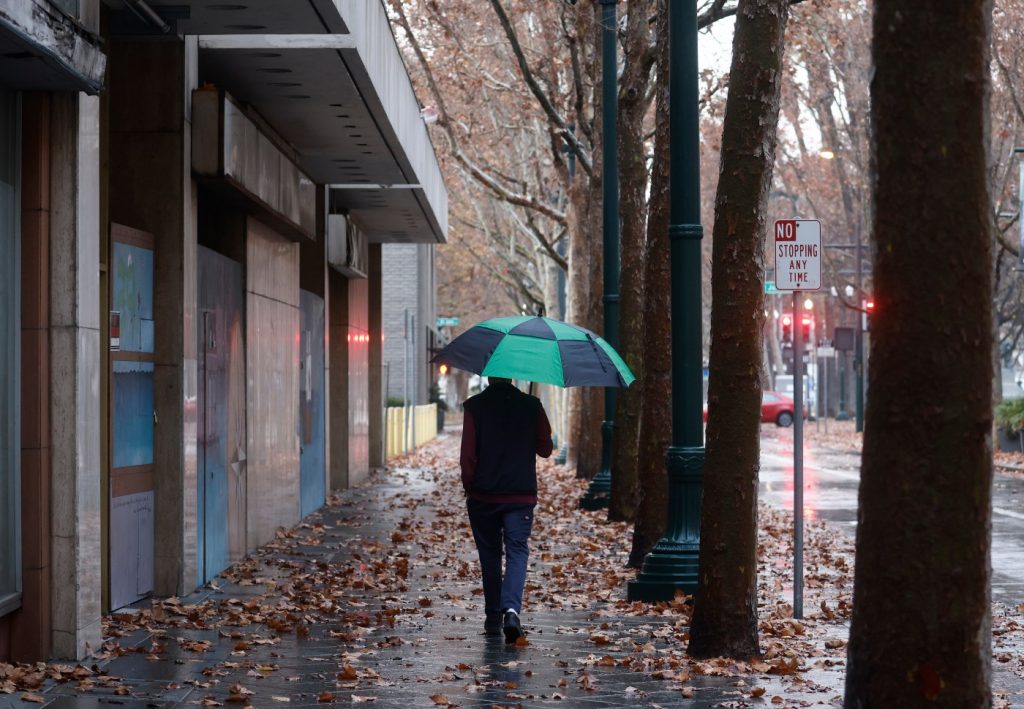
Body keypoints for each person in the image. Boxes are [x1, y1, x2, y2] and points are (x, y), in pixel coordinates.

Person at [460, 377, 553, 643]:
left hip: (483, 496)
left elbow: (467, 456)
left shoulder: (474, 407)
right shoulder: (531, 405)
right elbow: (545, 449)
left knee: (489, 556)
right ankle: (511, 611)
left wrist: (470, 486)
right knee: (517, 551)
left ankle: (492, 618)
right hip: (520, 494)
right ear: (512, 376)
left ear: (489, 376)